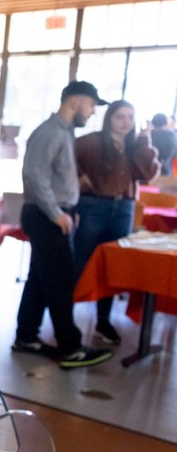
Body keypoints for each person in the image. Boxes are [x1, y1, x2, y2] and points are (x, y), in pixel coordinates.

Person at [13, 80, 113, 368]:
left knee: (40, 280)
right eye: (91, 105)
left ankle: (27, 337)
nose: (93, 112)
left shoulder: (64, 132)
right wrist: (57, 212)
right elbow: (35, 176)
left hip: (55, 212)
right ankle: (71, 348)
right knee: (60, 281)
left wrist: (69, 207)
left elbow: (55, 178)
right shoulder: (49, 133)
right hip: (46, 215)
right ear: (74, 101)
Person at [74, 101, 159, 344]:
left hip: (124, 207)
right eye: (120, 116)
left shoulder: (135, 146)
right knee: (82, 259)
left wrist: (145, 141)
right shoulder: (90, 141)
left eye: (130, 117)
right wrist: (81, 179)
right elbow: (69, 162)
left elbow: (148, 173)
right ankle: (66, 315)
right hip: (93, 206)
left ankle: (103, 319)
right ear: (109, 118)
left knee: (112, 265)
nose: (125, 122)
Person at [150, 112, 177, 177]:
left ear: (153, 123)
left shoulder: (148, 135)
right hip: (166, 172)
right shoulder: (172, 135)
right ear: (165, 122)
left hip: (148, 171)